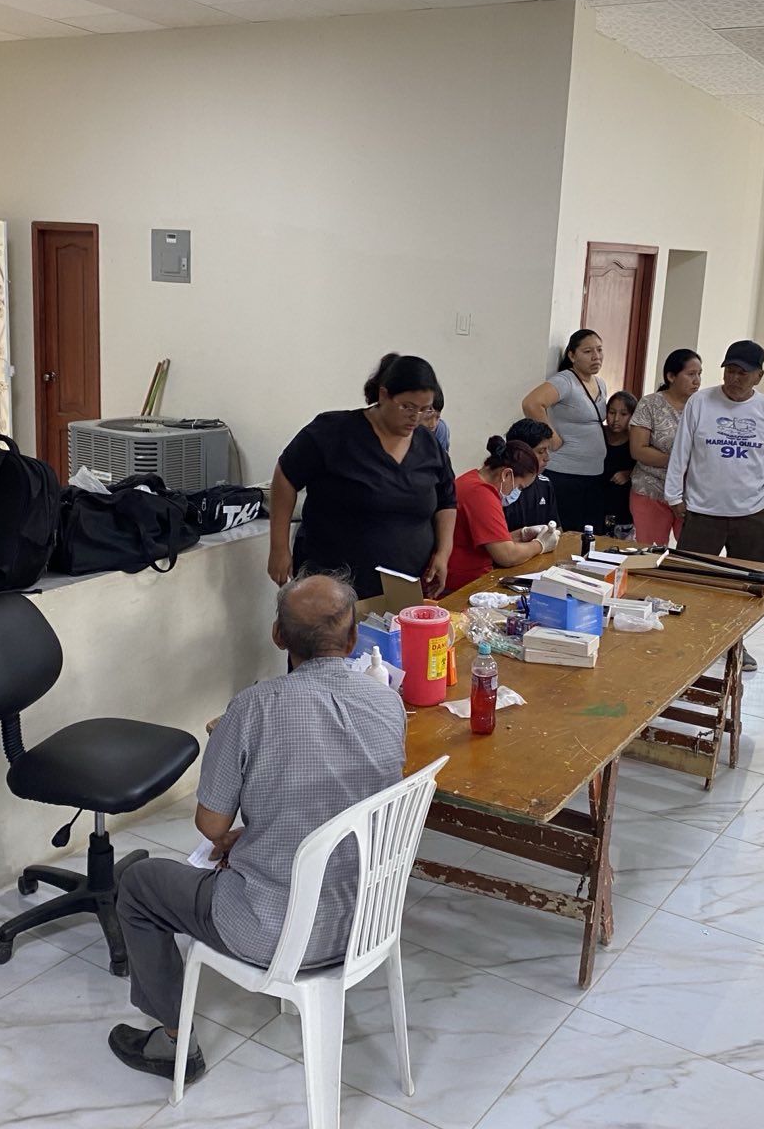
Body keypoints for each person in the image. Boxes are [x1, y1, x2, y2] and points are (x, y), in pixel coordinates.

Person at [109, 573, 405, 1082]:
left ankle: (173, 1041)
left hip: (275, 933)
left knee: (138, 883)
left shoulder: (252, 708)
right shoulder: (387, 701)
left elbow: (210, 824)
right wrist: (264, 830)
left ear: (278, 636)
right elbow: (343, 801)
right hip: (366, 922)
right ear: (354, 637)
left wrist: (231, 760)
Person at [268, 353, 456, 599]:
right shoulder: (333, 432)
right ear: (384, 395)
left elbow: (446, 501)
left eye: (425, 410)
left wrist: (443, 553)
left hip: (403, 587)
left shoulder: (429, 445)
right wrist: (279, 547)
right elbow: (285, 476)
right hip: (333, 583)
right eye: (408, 407)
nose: (416, 417)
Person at [665, 340, 764, 671]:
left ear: (758, 376)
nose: (734, 378)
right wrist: (674, 496)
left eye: (743, 373)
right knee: (690, 581)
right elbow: (681, 452)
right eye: (730, 371)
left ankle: (736, 645)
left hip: (751, 513)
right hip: (703, 512)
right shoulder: (700, 402)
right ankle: (689, 646)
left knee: (750, 586)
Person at [444, 436, 560, 593]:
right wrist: (540, 545)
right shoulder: (481, 495)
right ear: (506, 475)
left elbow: (493, 542)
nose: (517, 492)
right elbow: (507, 556)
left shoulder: (472, 479)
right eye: (519, 487)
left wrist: (522, 534)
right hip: (463, 584)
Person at [521, 329, 608, 535]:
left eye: (599, 350)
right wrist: (552, 438)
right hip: (566, 474)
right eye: (588, 351)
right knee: (566, 533)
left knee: (591, 534)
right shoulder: (565, 381)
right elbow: (532, 403)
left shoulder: (600, 383)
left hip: (594, 473)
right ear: (572, 355)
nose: (596, 356)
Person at [628, 349, 702, 547]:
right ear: (671, 376)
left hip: (691, 493)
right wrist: (678, 462)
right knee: (650, 552)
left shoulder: (702, 406)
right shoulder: (650, 404)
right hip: (651, 490)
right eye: (691, 374)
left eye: (699, 374)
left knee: (693, 552)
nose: (697, 380)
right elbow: (638, 450)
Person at [502, 418, 560, 532]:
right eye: (541, 452)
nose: (547, 458)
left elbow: (556, 528)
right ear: (521, 453)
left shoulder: (545, 484)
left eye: (547, 450)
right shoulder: (499, 489)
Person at [601, 391, 636, 538]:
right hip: (596, 503)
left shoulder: (636, 440)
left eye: (623, 414)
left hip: (624, 509)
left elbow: (645, 467)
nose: (616, 419)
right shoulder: (598, 434)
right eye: (612, 412)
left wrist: (629, 474)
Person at [420, 386, 450, 457]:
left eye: (437, 417)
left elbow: (440, 461)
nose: (433, 425)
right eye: (428, 418)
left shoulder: (440, 429)